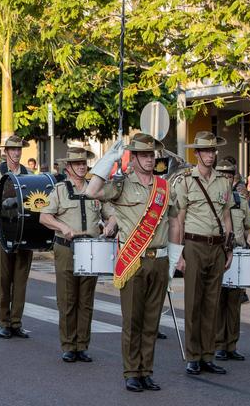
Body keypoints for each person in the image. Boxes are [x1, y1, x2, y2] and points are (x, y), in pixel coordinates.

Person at [86, 133, 180, 392]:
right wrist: (108, 160)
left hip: (159, 260)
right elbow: (91, 190)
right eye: (144, 155)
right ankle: (131, 371)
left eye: (152, 155)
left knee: (152, 322)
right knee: (133, 321)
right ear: (134, 158)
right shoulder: (121, 185)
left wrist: (173, 260)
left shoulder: (164, 187)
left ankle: (146, 371)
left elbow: (174, 222)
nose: (150, 159)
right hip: (134, 260)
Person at [39, 147, 116, 363]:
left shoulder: (95, 189)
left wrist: (110, 226)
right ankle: (68, 345)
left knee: (86, 298)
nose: (82, 166)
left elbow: (112, 214)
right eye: (77, 163)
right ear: (68, 167)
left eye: (84, 163)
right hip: (66, 247)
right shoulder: (60, 189)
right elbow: (44, 217)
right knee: (67, 298)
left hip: (91, 247)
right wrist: (63, 227)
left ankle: (82, 345)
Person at [172, 131, 234, 376]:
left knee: (212, 303)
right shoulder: (186, 180)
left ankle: (208, 355)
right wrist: (179, 254)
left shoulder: (224, 181)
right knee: (194, 303)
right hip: (194, 245)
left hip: (217, 247)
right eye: (205, 151)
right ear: (196, 153)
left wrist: (228, 249)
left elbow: (227, 217)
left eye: (212, 151)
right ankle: (193, 356)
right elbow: (179, 219)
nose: (210, 155)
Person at [0, 135, 33, 339]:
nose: (16, 153)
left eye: (19, 149)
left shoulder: (28, 174)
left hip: (23, 229)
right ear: (5, 152)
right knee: (3, 276)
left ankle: (16, 322)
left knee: (21, 277)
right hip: (2, 228)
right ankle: (3, 321)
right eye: (12, 149)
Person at [214, 158, 250, 362]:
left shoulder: (241, 200)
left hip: (237, 253)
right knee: (217, 301)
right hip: (216, 253)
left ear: (234, 178)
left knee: (234, 302)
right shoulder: (212, 199)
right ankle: (217, 344)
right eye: (222, 174)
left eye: (229, 175)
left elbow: (249, 226)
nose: (226, 178)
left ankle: (231, 344)